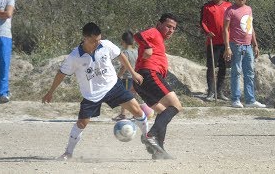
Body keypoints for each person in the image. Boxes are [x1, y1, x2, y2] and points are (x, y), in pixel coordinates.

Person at [42, 22, 162, 160]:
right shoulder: (75, 56)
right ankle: (68, 153)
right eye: (94, 41)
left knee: (138, 111)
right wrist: (50, 92)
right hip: (92, 94)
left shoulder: (105, 45)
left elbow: (120, 55)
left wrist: (133, 73)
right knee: (82, 123)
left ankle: (148, 138)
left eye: (99, 39)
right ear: (85, 38)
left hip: (113, 86)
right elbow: (61, 73)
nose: (97, 43)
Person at [133, 13, 182, 159]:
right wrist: (147, 46)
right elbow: (138, 35)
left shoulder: (158, 39)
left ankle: (158, 151)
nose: (171, 30)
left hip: (143, 79)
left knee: (163, 111)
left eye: (173, 28)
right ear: (159, 24)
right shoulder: (154, 32)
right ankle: (151, 135)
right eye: (168, 26)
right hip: (150, 74)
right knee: (176, 106)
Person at [223, 0, 266, 108]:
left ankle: (250, 100)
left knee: (249, 72)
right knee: (236, 71)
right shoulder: (230, 10)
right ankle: (235, 99)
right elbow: (225, 30)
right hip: (236, 44)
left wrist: (255, 44)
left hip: (248, 45)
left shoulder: (249, 9)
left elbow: (250, 27)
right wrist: (227, 47)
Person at [112, 31, 154, 121]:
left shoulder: (125, 53)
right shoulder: (136, 52)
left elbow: (124, 67)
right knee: (133, 96)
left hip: (127, 78)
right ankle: (139, 113)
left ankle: (123, 114)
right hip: (137, 77)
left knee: (125, 97)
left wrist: (118, 76)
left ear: (123, 41)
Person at [200, 0, 231, 101]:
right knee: (211, 67)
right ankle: (211, 91)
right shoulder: (207, 6)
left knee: (223, 67)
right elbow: (203, 22)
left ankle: (220, 91)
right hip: (212, 42)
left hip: (226, 42)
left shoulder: (229, 5)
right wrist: (207, 32)